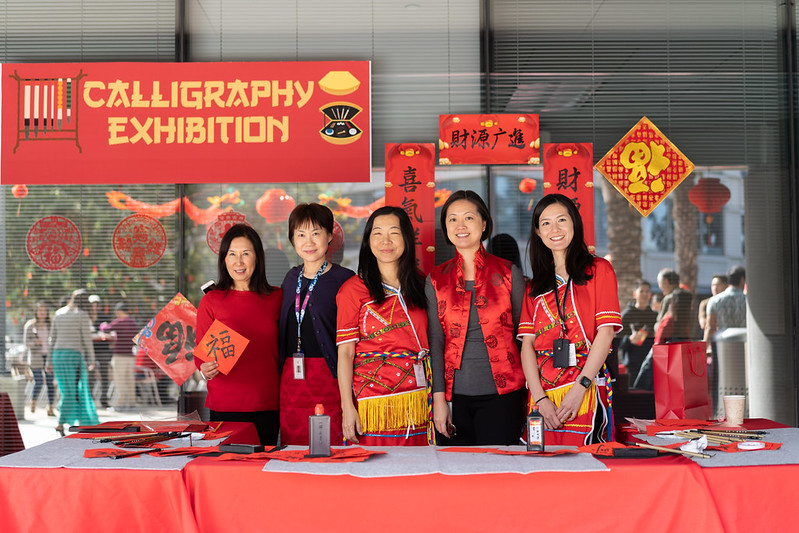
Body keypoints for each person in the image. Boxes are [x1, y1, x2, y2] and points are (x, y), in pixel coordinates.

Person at [519, 194, 622, 445]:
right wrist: (540, 399)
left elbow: (606, 333)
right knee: (540, 469)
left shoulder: (598, 270)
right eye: (546, 223)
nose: (554, 229)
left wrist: (580, 387)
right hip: (543, 399)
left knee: (585, 469)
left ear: (575, 223)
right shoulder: (535, 286)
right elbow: (527, 346)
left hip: (583, 391)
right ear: (538, 232)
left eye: (562, 220)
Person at [427, 191, 526, 445]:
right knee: (457, 480)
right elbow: (436, 342)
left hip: (504, 396)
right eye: (452, 219)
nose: (460, 225)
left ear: (483, 224)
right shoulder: (436, 279)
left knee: (500, 478)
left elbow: (524, 336)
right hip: (454, 398)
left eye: (468, 217)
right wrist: (439, 400)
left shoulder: (507, 273)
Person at [336, 206, 431, 445]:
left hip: (419, 399)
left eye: (394, 233)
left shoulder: (423, 285)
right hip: (373, 402)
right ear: (368, 241)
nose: (385, 241)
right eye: (377, 233)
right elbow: (346, 353)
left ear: (407, 239)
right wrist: (347, 407)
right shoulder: (352, 290)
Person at [195, 224, 282, 446]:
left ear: (257, 258)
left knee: (264, 471)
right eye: (231, 254)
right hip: (225, 405)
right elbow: (201, 356)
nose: (238, 262)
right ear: (224, 259)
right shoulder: (211, 301)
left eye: (245, 254)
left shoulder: (277, 298)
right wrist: (204, 368)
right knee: (227, 473)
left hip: (267, 403)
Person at [278, 203, 355, 445]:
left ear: (329, 235)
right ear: (292, 239)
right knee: (295, 448)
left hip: (331, 379)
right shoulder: (290, 279)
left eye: (315, 233)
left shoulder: (346, 280)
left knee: (332, 449)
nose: (308, 242)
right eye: (300, 234)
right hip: (292, 380)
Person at [50, 289, 99, 435]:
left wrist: (48, 361)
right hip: (73, 356)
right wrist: (92, 359)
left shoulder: (59, 313)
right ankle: (64, 422)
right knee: (73, 391)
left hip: (58, 356)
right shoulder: (82, 315)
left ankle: (65, 422)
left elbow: (52, 338)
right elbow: (87, 339)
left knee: (67, 390)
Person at [616, 279, 658, 382]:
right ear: (635, 294)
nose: (644, 294)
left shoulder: (655, 316)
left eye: (647, 291)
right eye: (641, 291)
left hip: (651, 363)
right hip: (632, 365)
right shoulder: (626, 315)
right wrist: (629, 339)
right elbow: (617, 342)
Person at [101, 302, 140, 410]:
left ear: (119, 312)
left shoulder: (119, 322)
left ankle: (120, 404)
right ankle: (132, 403)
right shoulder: (133, 322)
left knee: (119, 380)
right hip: (130, 356)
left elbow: (105, 329)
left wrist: (102, 324)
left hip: (119, 355)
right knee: (130, 380)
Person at [22, 301, 56, 416]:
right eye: (40, 310)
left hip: (49, 357)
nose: (42, 312)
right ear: (36, 312)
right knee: (39, 381)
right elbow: (26, 343)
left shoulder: (51, 324)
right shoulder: (30, 325)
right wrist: (34, 342)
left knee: (50, 382)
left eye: (44, 310)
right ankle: (33, 401)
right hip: (36, 357)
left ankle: (50, 407)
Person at [704, 265, 746, 347]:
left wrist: (704, 349)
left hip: (722, 346)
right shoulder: (749, 301)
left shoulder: (714, 301)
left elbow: (709, 328)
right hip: (744, 345)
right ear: (742, 280)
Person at [88, 294, 113, 408]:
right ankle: (90, 399)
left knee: (104, 374)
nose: (95, 306)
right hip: (90, 351)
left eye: (97, 304)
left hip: (103, 350)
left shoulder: (105, 317)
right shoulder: (86, 318)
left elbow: (111, 334)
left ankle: (104, 398)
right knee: (90, 374)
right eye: (93, 304)